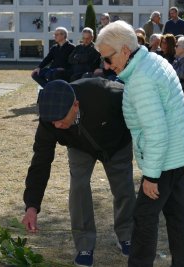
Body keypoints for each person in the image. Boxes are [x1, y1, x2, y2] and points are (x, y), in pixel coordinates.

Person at [96, 20, 184, 267]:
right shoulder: (153, 61)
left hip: (165, 158)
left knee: (144, 217)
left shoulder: (141, 78)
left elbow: (156, 131)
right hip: (177, 152)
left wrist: (151, 176)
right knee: (178, 216)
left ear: (124, 50)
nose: (106, 65)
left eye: (108, 59)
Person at [22, 78, 136, 267]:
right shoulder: (49, 121)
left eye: (60, 121)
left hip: (117, 142)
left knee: (123, 186)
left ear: (75, 105)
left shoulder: (106, 93)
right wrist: (32, 205)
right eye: (53, 123)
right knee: (79, 186)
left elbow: (138, 106)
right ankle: (84, 244)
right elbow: (40, 162)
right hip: (79, 147)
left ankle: (127, 234)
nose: (56, 126)